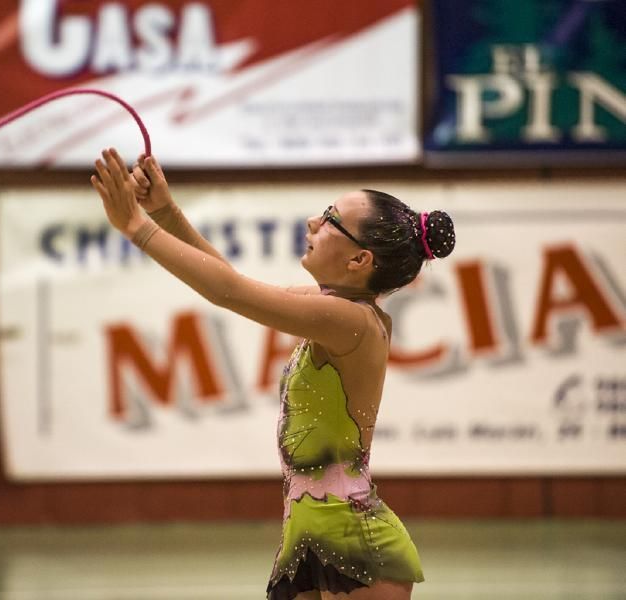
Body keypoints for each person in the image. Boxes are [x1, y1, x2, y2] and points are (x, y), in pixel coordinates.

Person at [91, 148, 455, 600]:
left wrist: (137, 227)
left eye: (329, 219)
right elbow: (230, 280)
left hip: (356, 540)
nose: (312, 224)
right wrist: (164, 212)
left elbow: (228, 291)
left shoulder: (353, 322)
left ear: (359, 261)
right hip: (308, 534)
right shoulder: (334, 308)